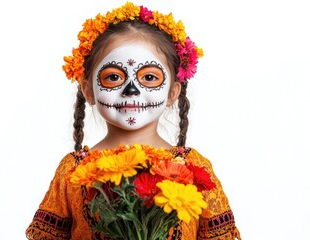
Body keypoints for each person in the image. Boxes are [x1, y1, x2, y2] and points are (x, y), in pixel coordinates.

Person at [25, 2, 241, 239]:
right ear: (88, 90)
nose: (131, 91)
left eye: (149, 77)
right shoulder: (73, 171)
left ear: (172, 92)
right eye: (113, 77)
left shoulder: (193, 168)